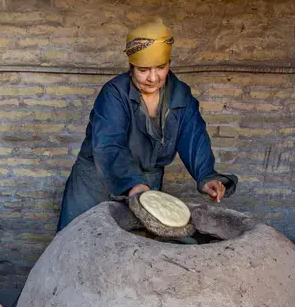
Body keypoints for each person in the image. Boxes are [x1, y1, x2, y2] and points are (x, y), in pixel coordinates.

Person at [57, 19, 237, 232]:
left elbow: (194, 138)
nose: (153, 78)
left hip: (145, 185)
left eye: (161, 67)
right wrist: (134, 183)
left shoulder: (180, 95)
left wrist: (205, 176)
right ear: (131, 67)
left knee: (132, 251)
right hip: (96, 183)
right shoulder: (114, 94)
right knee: (80, 244)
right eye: (143, 69)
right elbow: (109, 145)